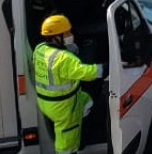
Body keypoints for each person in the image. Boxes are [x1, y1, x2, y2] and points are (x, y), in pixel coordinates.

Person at [33, 15, 104, 154]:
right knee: (66, 144)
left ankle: (81, 126)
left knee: (87, 101)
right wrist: (106, 67)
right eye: (67, 33)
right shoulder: (64, 59)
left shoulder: (40, 48)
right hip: (64, 108)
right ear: (56, 36)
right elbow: (87, 73)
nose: (71, 35)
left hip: (46, 101)